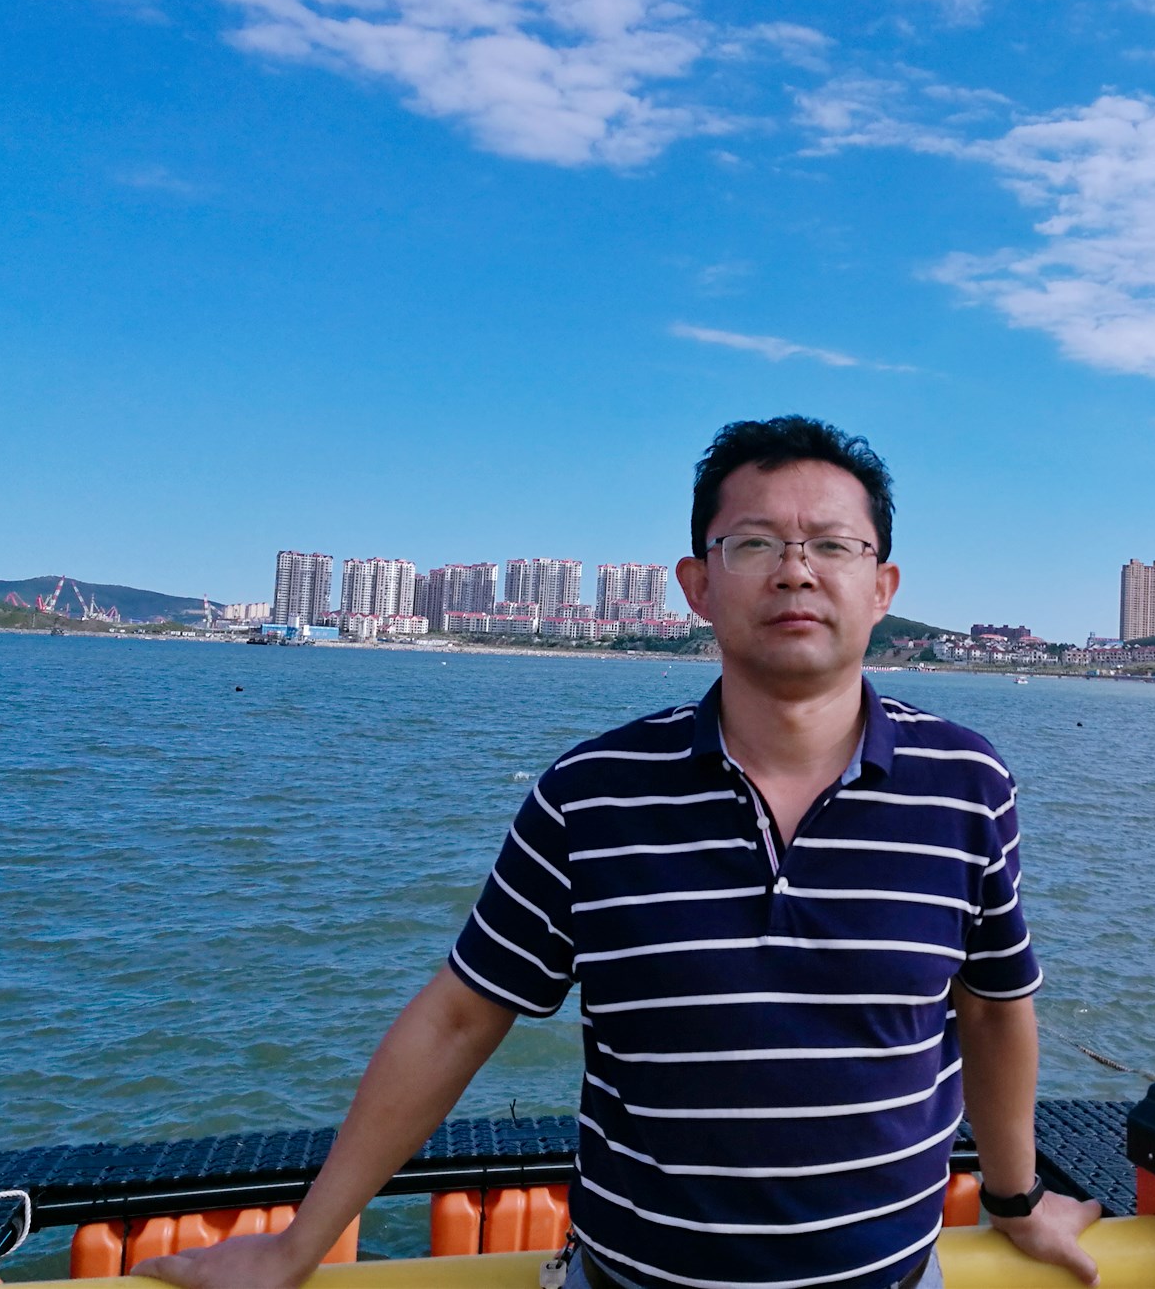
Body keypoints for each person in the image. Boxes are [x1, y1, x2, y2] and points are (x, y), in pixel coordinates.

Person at [136, 415, 1099, 1289]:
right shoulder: (592, 794)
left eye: (833, 545)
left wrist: (1015, 1200)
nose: (795, 571)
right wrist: (298, 1245)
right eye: (754, 543)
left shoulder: (965, 783)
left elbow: (993, 1008)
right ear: (697, 585)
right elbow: (459, 1018)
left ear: (882, 586)